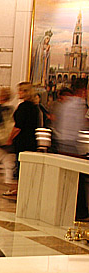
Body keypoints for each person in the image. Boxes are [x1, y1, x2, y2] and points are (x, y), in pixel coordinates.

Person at [56, 78, 89, 221]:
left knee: (68, 180)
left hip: (63, 145)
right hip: (75, 147)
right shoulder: (80, 105)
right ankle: (81, 212)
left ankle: (65, 209)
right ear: (83, 90)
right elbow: (82, 127)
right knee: (79, 182)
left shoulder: (65, 105)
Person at [5, 82, 40, 196]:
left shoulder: (24, 107)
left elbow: (18, 127)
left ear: (26, 92)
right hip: (31, 140)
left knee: (20, 166)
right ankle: (22, 189)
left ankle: (20, 190)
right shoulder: (35, 107)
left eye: (20, 90)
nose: (18, 93)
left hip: (23, 141)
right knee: (25, 166)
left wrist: (10, 138)